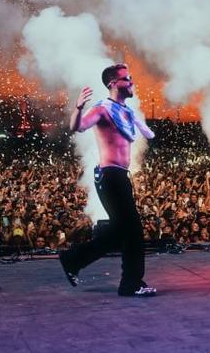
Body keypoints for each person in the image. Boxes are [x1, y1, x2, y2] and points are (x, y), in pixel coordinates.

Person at [58, 63, 158, 297]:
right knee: (132, 231)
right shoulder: (102, 109)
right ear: (113, 83)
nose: (132, 82)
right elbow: (78, 127)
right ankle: (130, 284)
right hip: (109, 175)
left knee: (123, 230)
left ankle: (73, 259)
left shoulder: (127, 112)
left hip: (120, 175)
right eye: (127, 79)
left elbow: (146, 133)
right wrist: (79, 107)